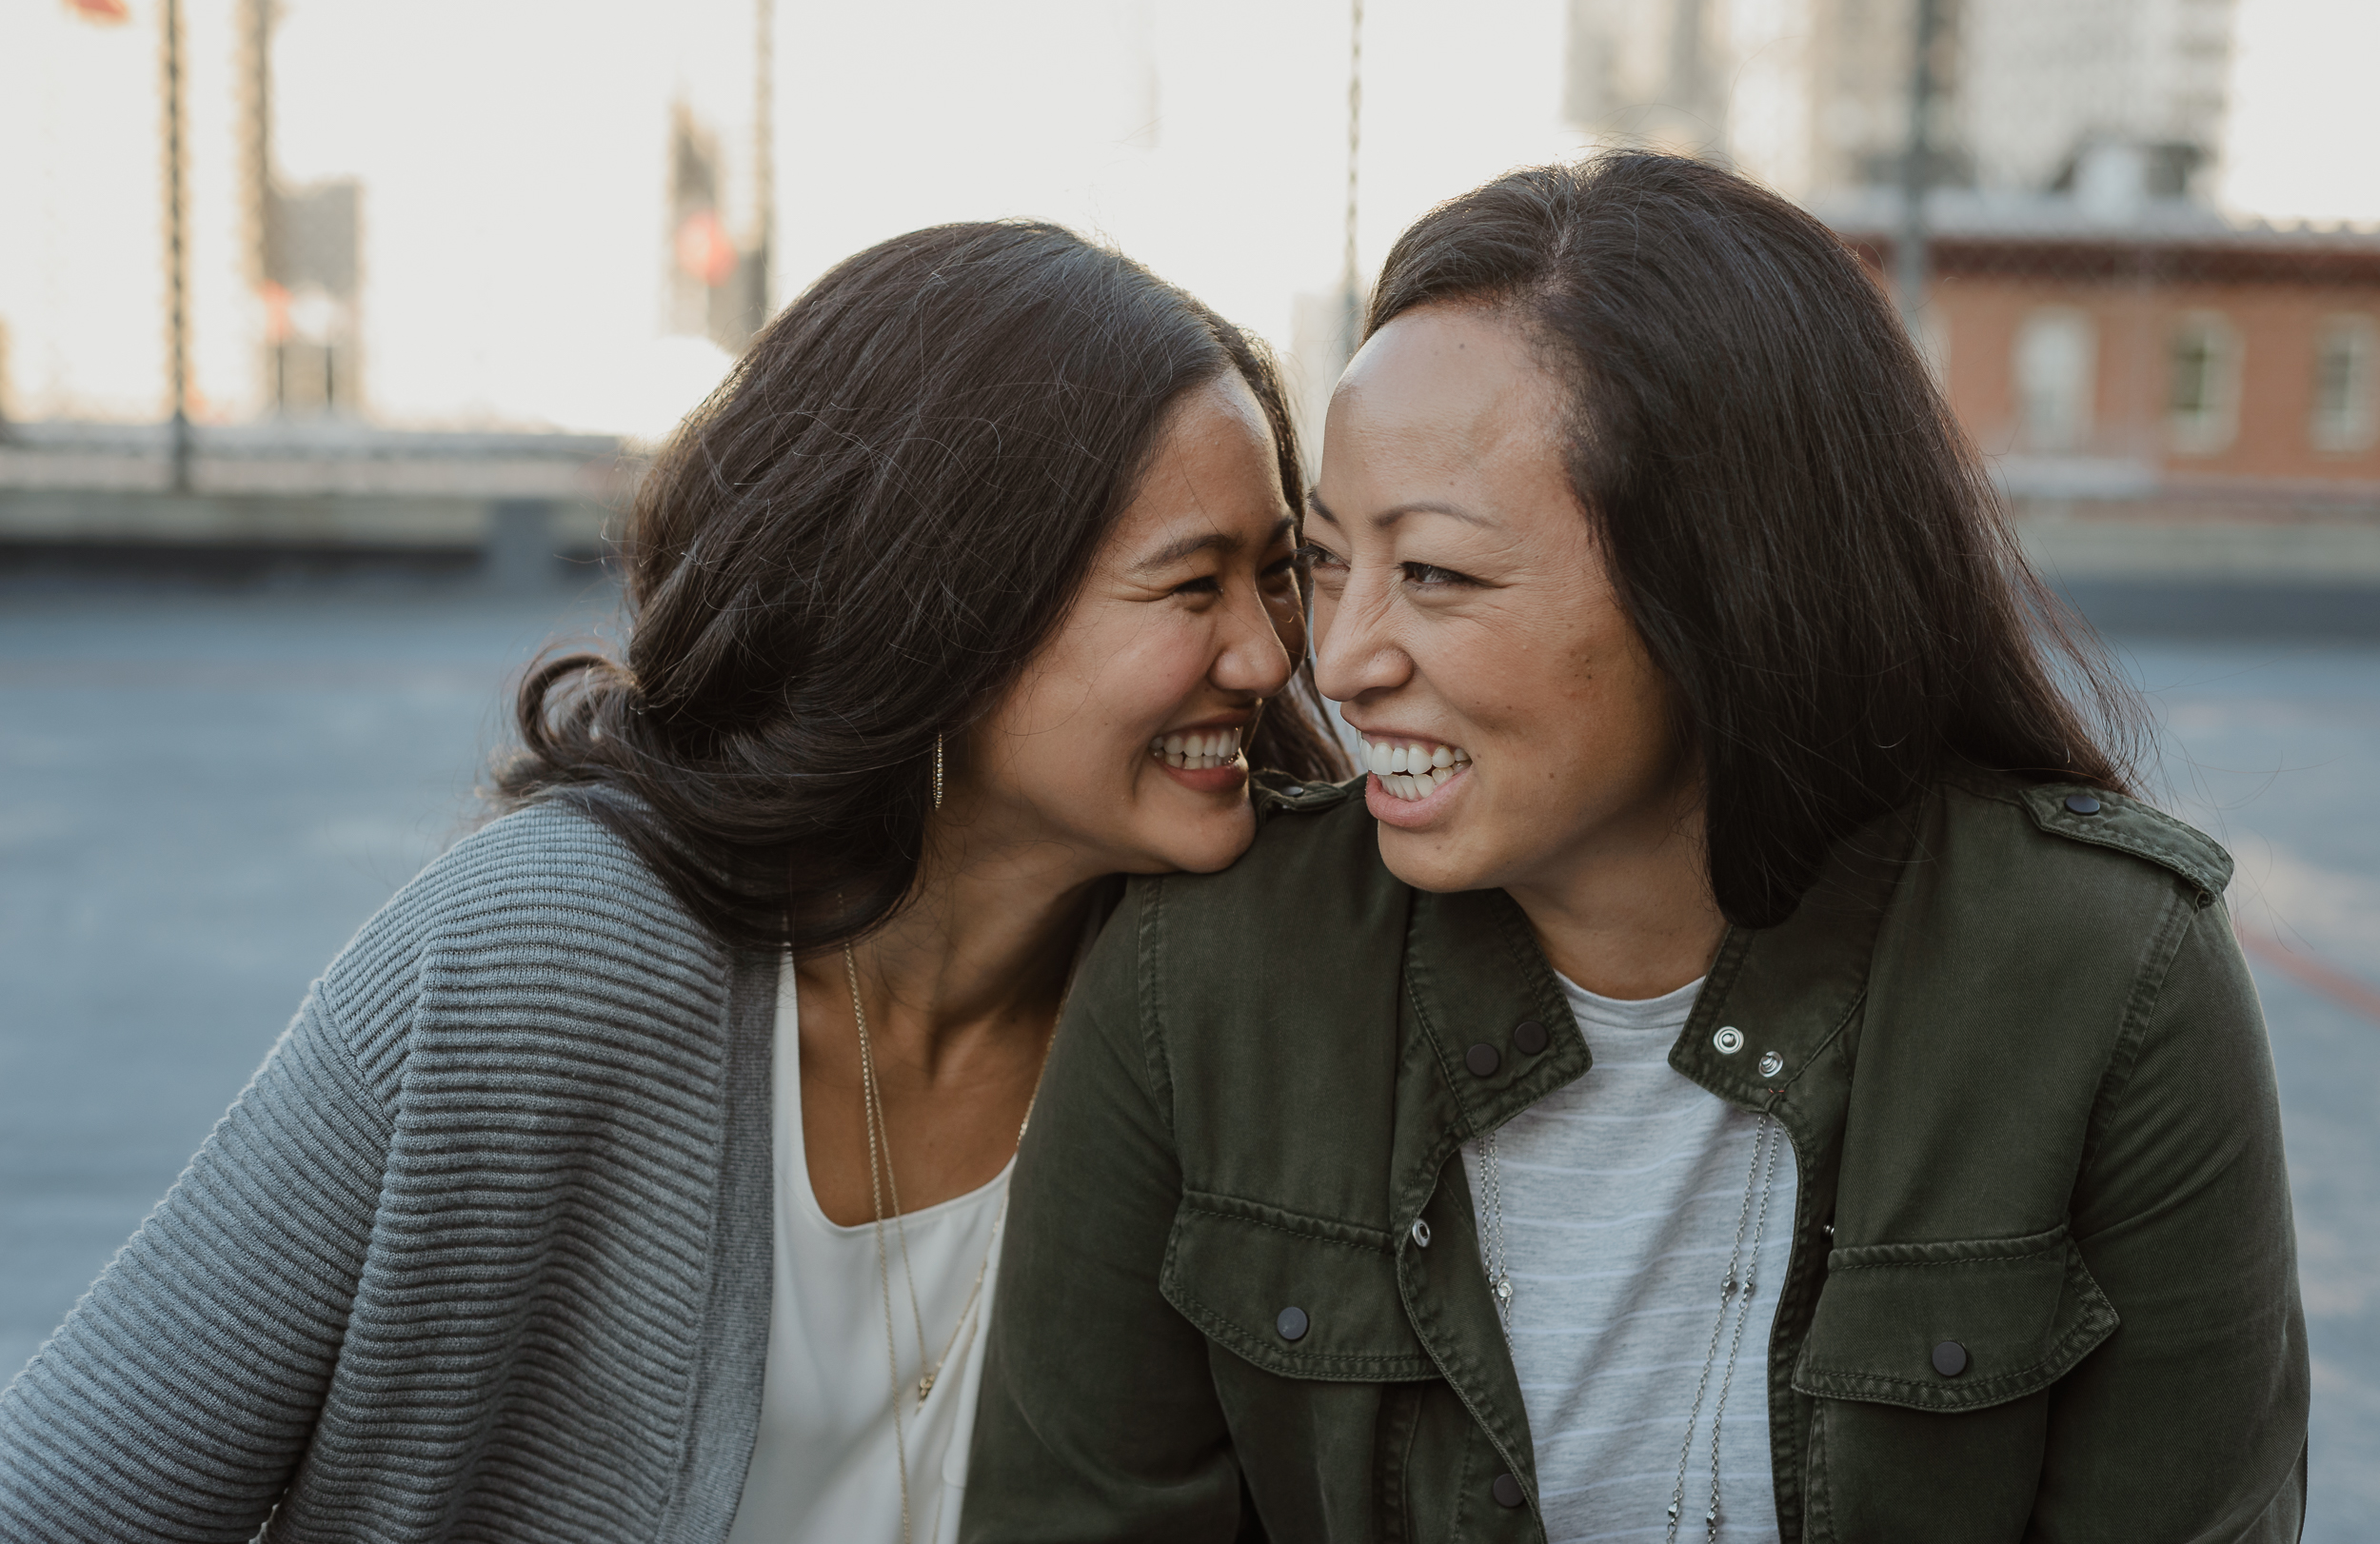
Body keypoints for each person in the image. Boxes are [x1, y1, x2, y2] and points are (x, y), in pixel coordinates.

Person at [963, 154, 2309, 1543]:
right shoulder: (1201, 975)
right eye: (1330, 561)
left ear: (1723, 585)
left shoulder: (2110, 978)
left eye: (1435, 572)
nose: (1343, 658)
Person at [0, 220, 1343, 1544]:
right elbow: (65, 1498)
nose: (1265, 654)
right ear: (957, 609)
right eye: (1191, 586)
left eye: (1277, 572)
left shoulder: (1244, 994)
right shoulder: (538, 961)